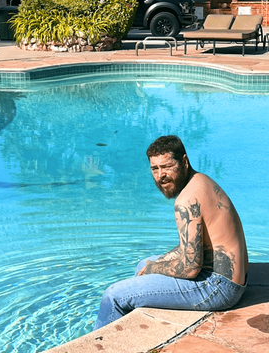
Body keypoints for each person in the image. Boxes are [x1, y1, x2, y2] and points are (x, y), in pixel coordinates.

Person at [94, 135, 248, 330]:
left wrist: (154, 269)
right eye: (155, 169)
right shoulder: (201, 181)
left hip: (218, 288)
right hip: (230, 280)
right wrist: (154, 264)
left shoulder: (187, 200)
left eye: (167, 167)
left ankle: (102, 344)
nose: (161, 176)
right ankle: (138, 329)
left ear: (184, 161)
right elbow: (193, 247)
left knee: (113, 296)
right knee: (143, 264)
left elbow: (190, 268)